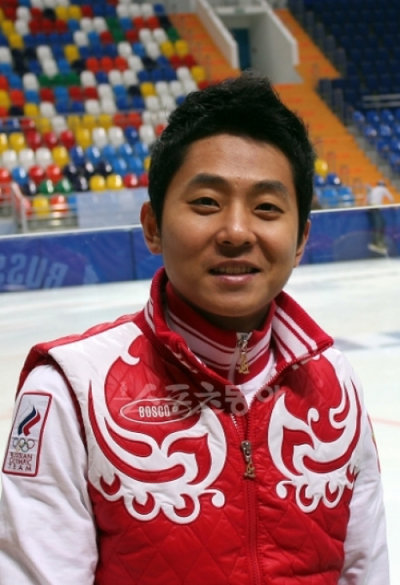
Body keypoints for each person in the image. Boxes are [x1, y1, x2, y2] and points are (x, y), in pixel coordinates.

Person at [0, 72, 389, 585]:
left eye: (267, 208)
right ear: (152, 226)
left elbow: (366, 569)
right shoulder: (70, 389)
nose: (236, 231)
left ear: (300, 240)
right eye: (206, 202)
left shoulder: (334, 384)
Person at [367, 180, 394, 254]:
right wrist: (393, 204)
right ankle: (376, 243)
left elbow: (368, 198)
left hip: (372, 207)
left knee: (382, 223)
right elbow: (390, 197)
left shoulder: (374, 189)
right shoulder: (383, 188)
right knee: (379, 225)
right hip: (375, 208)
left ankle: (378, 242)